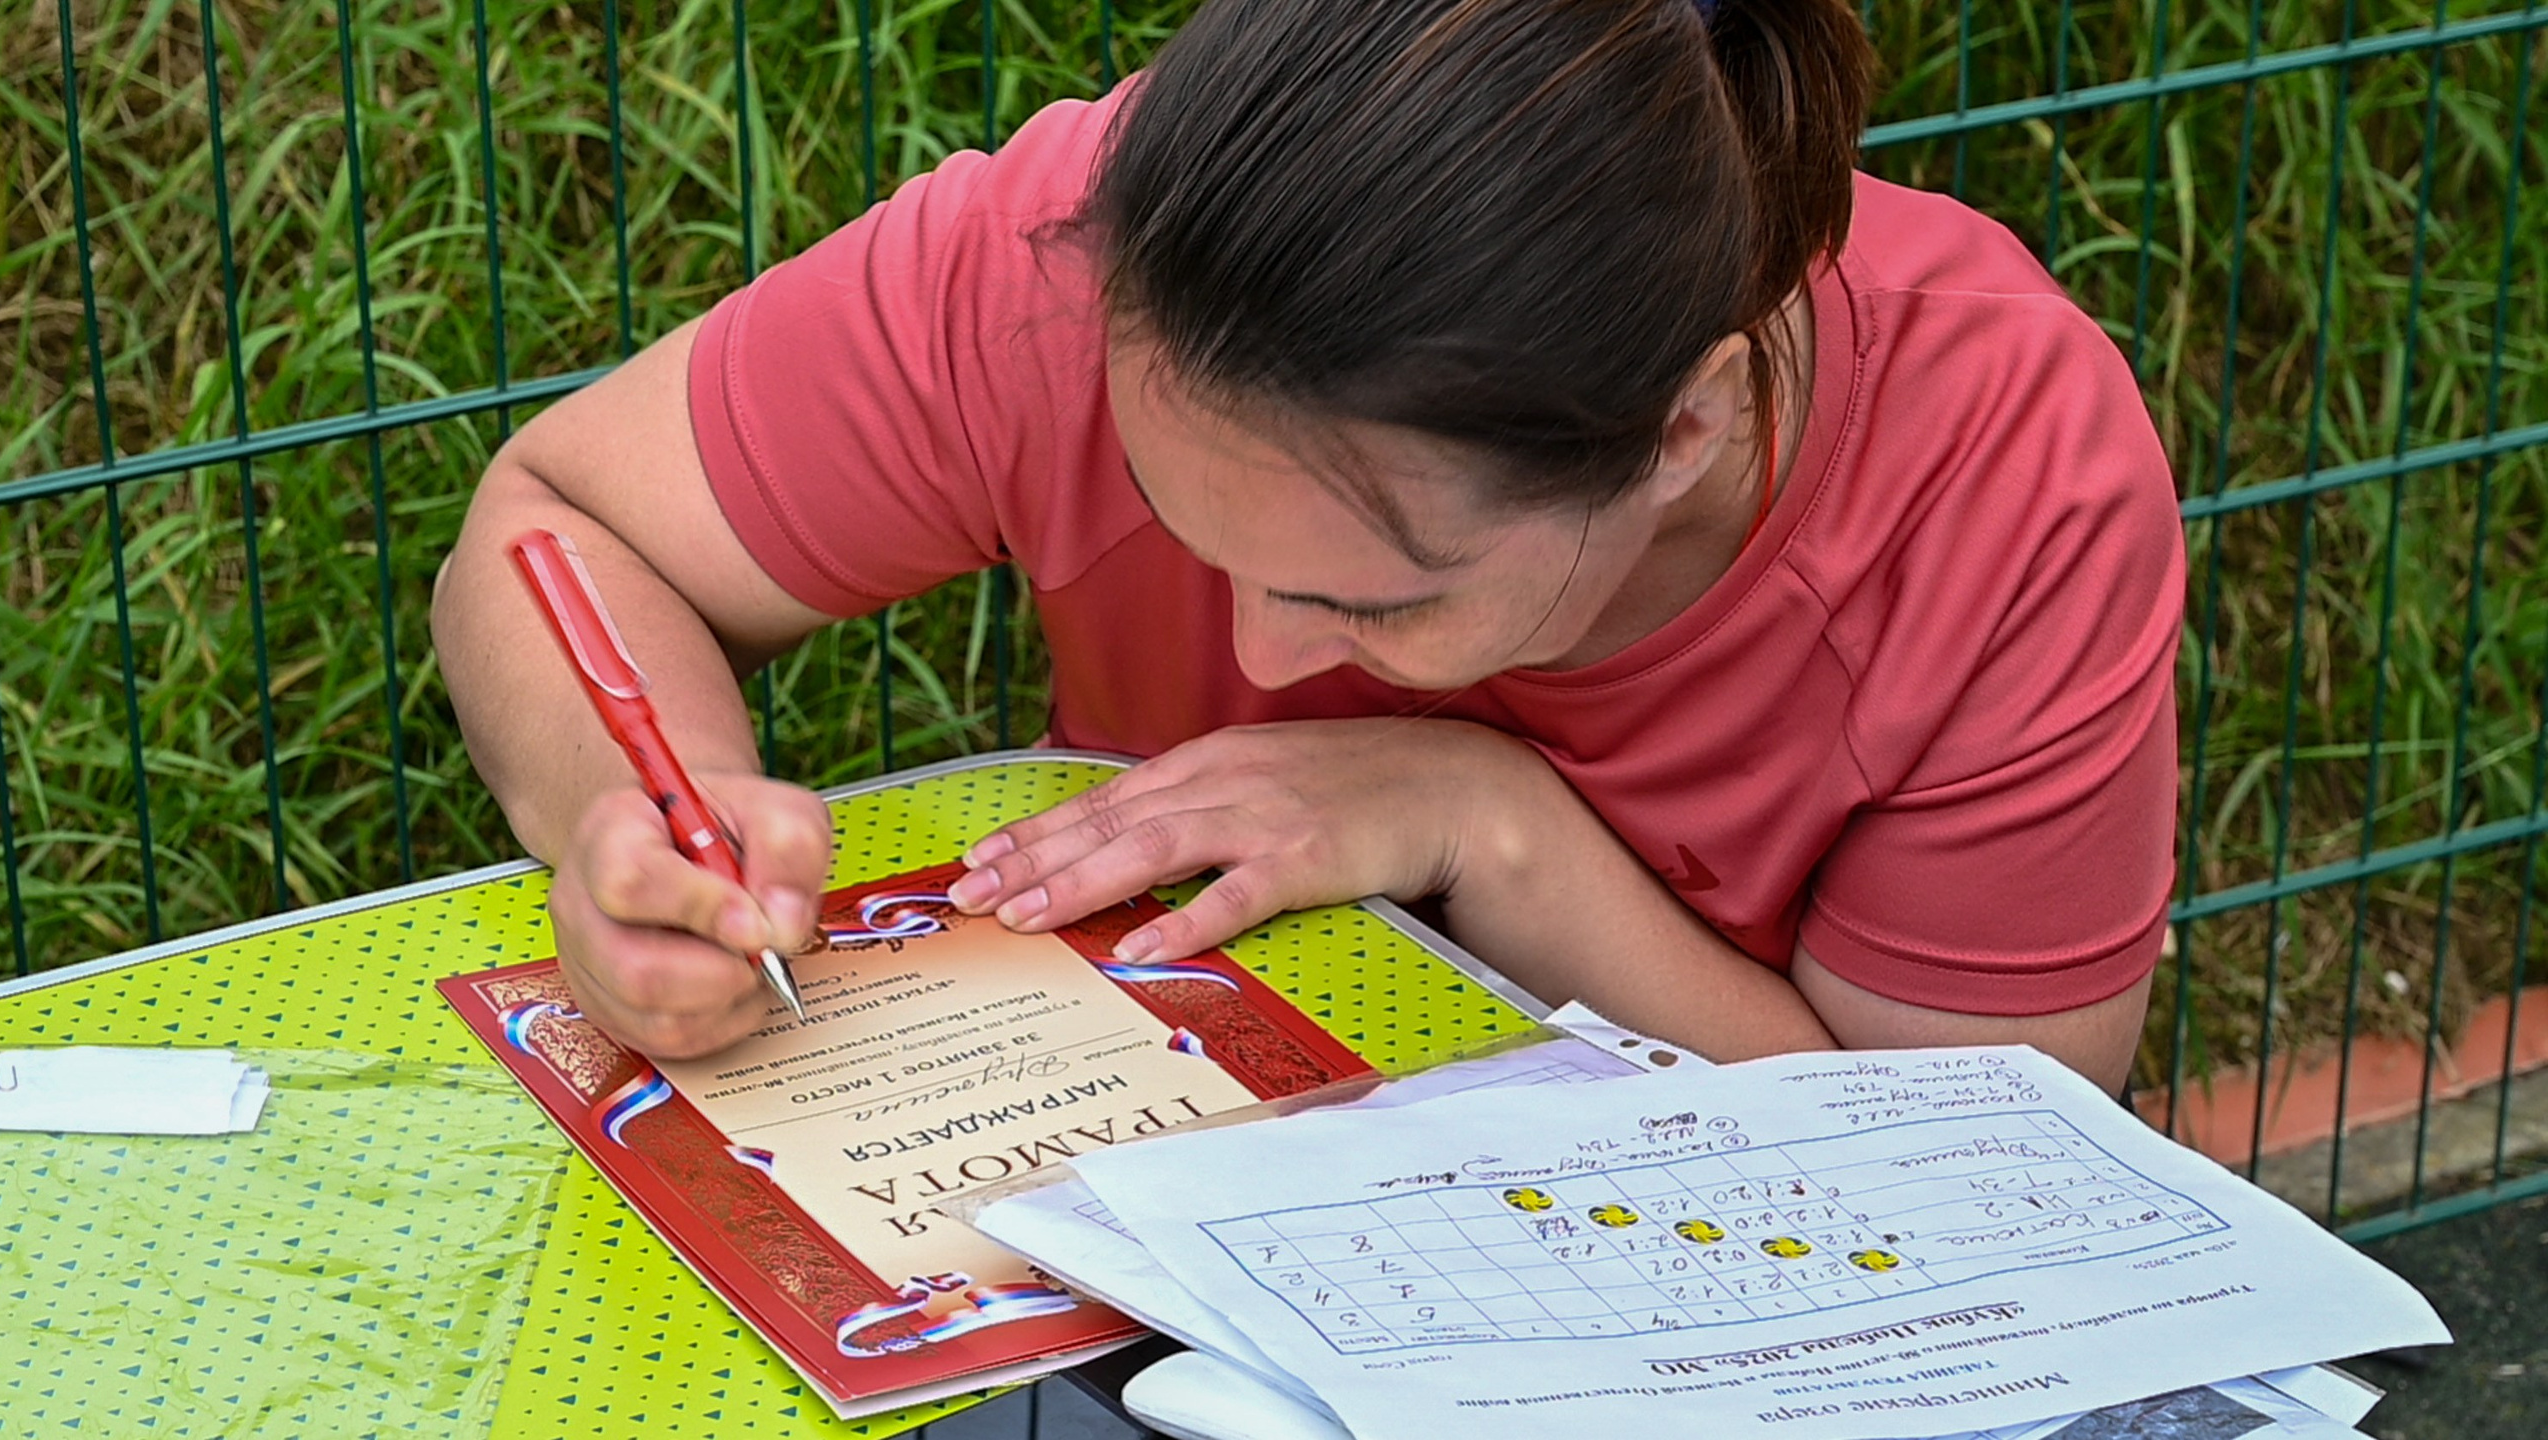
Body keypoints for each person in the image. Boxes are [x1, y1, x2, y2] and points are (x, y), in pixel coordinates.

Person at [433, 0, 2182, 1095]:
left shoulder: (2003, 475)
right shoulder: (1092, 258)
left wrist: (1482, 823)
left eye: (1373, 595)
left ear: (1685, 433)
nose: (1267, 662)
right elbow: (563, 521)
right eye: (1186, 517)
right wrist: (636, 817)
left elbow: (1970, 1182)